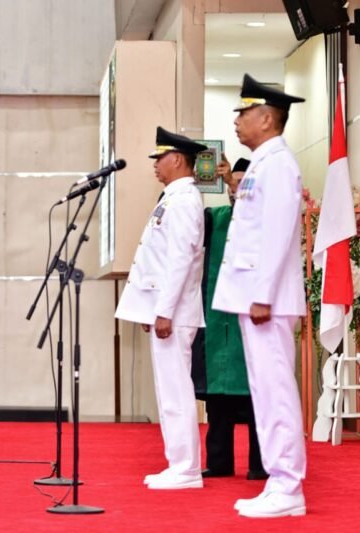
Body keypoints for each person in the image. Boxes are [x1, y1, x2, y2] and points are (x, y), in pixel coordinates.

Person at [212, 74, 307, 518]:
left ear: (267, 118)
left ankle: (288, 485)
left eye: (243, 112)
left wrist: (264, 294)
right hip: (253, 297)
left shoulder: (279, 165)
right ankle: (278, 480)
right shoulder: (264, 165)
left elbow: (277, 234)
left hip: (265, 299)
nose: (237, 121)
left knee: (276, 390)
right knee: (263, 392)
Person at [115, 127, 207, 490]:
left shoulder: (184, 200)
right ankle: (178, 464)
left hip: (177, 311)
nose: (156, 165)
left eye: (160, 158)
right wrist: (150, 310)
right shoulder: (172, 198)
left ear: (178, 159)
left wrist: (164, 311)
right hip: (167, 309)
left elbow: (180, 259)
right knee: (169, 391)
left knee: (176, 392)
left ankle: (185, 469)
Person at [192, 156, 267, 481]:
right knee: (218, 398)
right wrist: (192, 182)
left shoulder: (262, 219)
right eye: (231, 183)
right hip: (218, 320)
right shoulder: (216, 217)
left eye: (241, 183)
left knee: (255, 398)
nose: (235, 189)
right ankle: (220, 461)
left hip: (251, 319)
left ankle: (261, 464)